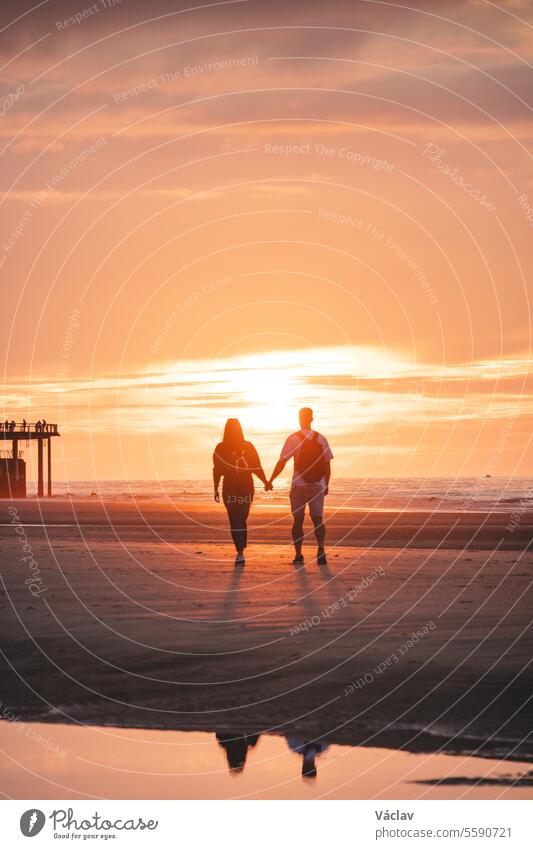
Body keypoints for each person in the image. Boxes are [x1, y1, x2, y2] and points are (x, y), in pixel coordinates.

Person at [269, 407, 333, 566]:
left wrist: (270, 480)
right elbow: (327, 465)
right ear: (312, 418)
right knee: (318, 519)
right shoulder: (321, 438)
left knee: (298, 520)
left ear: (299, 419)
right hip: (317, 484)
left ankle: (298, 555)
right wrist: (326, 484)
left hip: (299, 484)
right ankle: (320, 550)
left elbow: (282, 461)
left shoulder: (293, 439)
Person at [213, 418, 271, 566]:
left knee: (236, 520)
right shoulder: (245, 446)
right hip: (245, 488)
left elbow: (217, 471)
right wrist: (265, 481)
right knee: (240, 519)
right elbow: (257, 467)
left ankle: (240, 551)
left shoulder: (221, 448)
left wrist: (215, 488)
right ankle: (240, 552)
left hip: (232, 488)